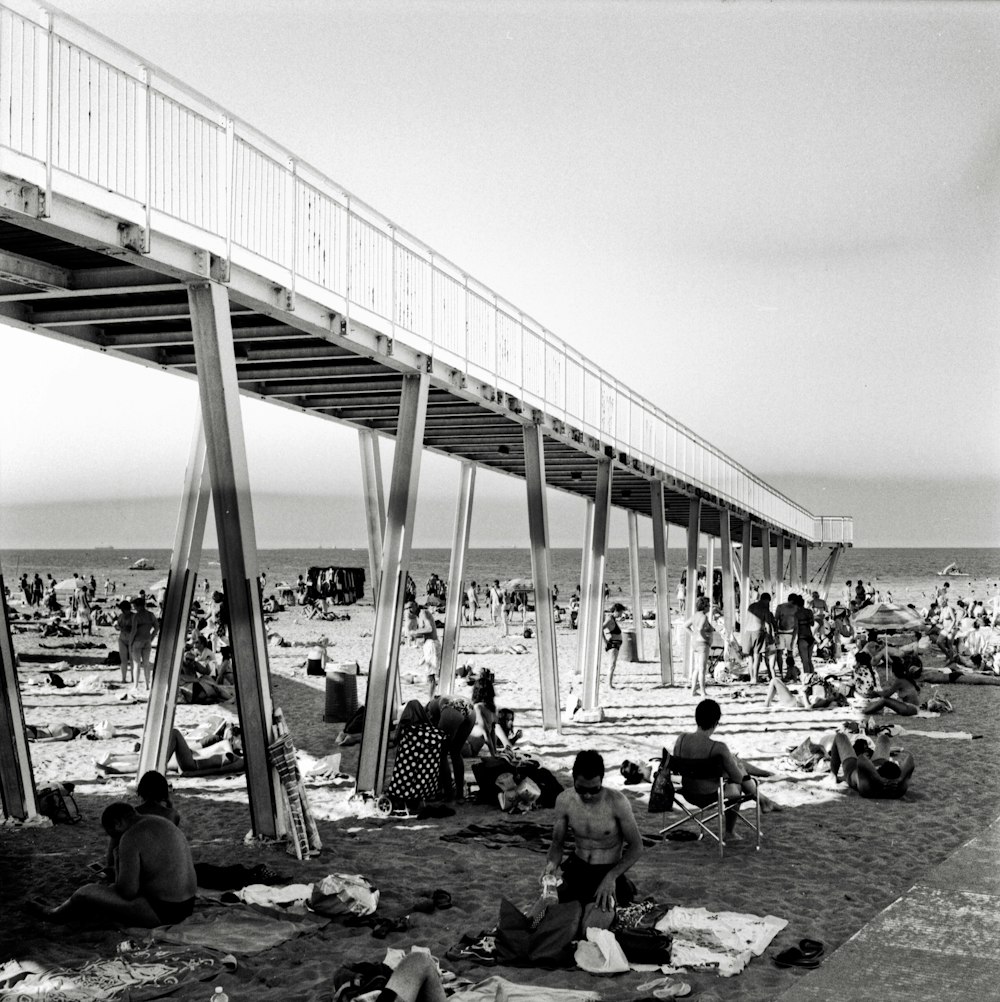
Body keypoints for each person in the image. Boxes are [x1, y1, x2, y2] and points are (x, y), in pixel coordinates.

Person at [31, 802, 197, 927]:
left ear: (118, 824)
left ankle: (52, 914)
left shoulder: (130, 836)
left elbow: (127, 892)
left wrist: (118, 862)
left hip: (164, 911)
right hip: (187, 904)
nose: (115, 839)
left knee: (85, 893)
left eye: (113, 835)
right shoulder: (159, 822)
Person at [543, 750, 642, 914]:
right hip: (578, 868)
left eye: (594, 790)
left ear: (601, 781)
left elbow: (637, 846)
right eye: (581, 789)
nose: (588, 795)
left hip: (607, 869)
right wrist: (552, 864)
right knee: (553, 915)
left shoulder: (617, 802)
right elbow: (557, 844)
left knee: (592, 926)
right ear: (573, 779)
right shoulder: (564, 800)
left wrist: (612, 877)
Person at [672, 699, 773, 838]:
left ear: (697, 718)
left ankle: (763, 800)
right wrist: (734, 766)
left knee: (736, 765)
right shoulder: (719, 748)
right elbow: (738, 778)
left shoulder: (681, 739)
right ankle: (730, 831)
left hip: (687, 792)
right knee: (737, 784)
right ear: (716, 723)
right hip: (710, 795)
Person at [96, 726, 243, 776]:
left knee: (174, 733)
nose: (241, 743)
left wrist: (193, 773)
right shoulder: (226, 745)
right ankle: (112, 770)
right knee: (152, 759)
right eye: (241, 739)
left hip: (192, 763)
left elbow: (219, 771)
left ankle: (157, 771)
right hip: (190, 759)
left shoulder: (238, 759)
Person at [829, 731, 915, 799]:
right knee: (883, 738)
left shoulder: (869, 786)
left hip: (852, 770)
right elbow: (910, 759)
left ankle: (833, 776)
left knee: (840, 737)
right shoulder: (899, 789)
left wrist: (878, 779)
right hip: (878, 767)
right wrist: (900, 779)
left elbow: (861, 759)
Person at [406, 601, 441, 700]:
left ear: (416, 605)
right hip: (429, 645)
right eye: (407, 608)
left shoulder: (423, 613)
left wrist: (415, 632)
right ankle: (432, 698)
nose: (409, 610)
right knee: (430, 676)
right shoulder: (419, 616)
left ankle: (431, 699)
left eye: (411, 607)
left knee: (431, 676)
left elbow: (429, 628)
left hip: (432, 645)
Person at [682, 595, 714, 698]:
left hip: (695, 643)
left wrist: (693, 634)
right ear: (704, 606)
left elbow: (685, 625)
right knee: (702, 668)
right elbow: (700, 629)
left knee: (696, 668)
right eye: (708, 605)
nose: (709, 607)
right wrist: (707, 639)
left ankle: (693, 691)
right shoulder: (704, 617)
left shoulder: (695, 615)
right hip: (702, 643)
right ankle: (703, 691)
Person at [744, 592, 777, 684]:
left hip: (747, 632)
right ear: (767, 600)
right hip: (758, 632)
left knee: (750, 657)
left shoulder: (751, 606)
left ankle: (751, 678)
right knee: (757, 655)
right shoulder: (764, 609)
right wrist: (770, 637)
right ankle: (755, 678)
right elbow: (768, 625)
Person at [128, 596, 159, 690]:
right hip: (147, 641)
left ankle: (135, 686)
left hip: (137, 641)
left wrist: (130, 643)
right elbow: (157, 627)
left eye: (135, 606)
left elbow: (134, 631)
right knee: (146, 664)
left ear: (139, 606)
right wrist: (152, 637)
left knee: (136, 664)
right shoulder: (151, 615)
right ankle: (147, 685)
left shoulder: (136, 616)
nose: (134, 608)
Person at [774, 594, 799, 680]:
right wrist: (795, 637)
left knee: (779, 653)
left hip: (782, 632)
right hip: (790, 633)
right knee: (789, 654)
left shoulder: (780, 607)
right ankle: (788, 672)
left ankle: (782, 672)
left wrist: (775, 633)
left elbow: (775, 620)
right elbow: (796, 625)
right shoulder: (796, 608)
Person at [792, 593, 816, 676]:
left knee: (805, 661)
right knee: (809, 660)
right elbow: (812, 624)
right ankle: (812, 677)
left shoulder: (796, 614)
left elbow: (796, 629)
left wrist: (793, 642)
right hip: (810, 637)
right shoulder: (809, 612)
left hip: (802, 638)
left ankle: (807, 678)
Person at [602, 603, 624, 689]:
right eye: (620, 613)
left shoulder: (612, 618)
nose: (621, 615)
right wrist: (605, 641)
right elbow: (600, 628)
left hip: (615, 644)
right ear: (616, 611)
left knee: (613, 664)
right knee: (612, 664)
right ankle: (609, 685)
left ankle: (609, 683)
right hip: (613, 644)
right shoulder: (609, 619)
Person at [114, 599, 134, 684]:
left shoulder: (134, 617)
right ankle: (124, 678)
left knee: (133, 660)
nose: (122, 611)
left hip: (132, 640)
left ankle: (133, 678)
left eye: (123, 609)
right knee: (124, 660)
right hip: (122, 639)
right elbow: (118, 626)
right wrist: (117, 627)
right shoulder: (121, 616)